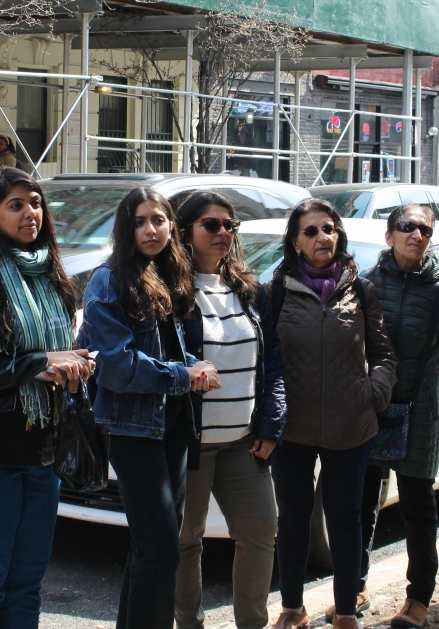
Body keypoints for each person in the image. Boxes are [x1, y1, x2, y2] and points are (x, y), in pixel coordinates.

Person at [0, 168, 93, 628]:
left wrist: (74, 367)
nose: (30, 213)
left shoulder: (53, 276)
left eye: (35, 203)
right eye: (16, 205)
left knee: (27, 586)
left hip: (44, 453)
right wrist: (38, 364)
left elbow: (57, 353)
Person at [79, 187, 221, 629]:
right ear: (126, 228)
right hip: (133, 428)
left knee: (153, 549)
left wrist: (192, 365)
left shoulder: (167, 272)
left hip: (174, 426)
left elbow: (167, 351)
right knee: (160, 548)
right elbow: (116, 367)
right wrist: (184, 376)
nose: (151, 229)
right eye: (140, 221)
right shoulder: (108, 279)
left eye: (158, 219)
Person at [268, 199, 396, 629]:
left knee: (344, 517)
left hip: (351, 425)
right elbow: (267, 358)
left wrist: (373, 392)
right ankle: (291, 607)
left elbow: (383, 354)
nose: (323, 237)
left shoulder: (360, 289)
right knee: (293, 518)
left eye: (329, 229)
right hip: (294, 429)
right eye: (311, 231)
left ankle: (345, 611)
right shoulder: (277, 291)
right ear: (295, 241)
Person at [173, 193, 286, 629]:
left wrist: (272, 423)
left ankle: (252, 624)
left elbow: (272, 363)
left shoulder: (251, 289)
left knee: (261, 531)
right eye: (212, 225)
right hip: (191, 441)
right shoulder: (171, 291)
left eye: (230, 226)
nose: (224, 233)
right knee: (186, 540)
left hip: (243, 441)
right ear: (186, 233)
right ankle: (189, 623)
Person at [360, 204, 439, 629]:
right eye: (407, 227)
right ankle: (354, 586)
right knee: (360, 502)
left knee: (419, 506)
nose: (416, 234)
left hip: (418, 412)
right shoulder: (365, 286)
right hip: (371, 407)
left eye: (424, 229)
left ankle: (418, 599)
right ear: (390, 236)